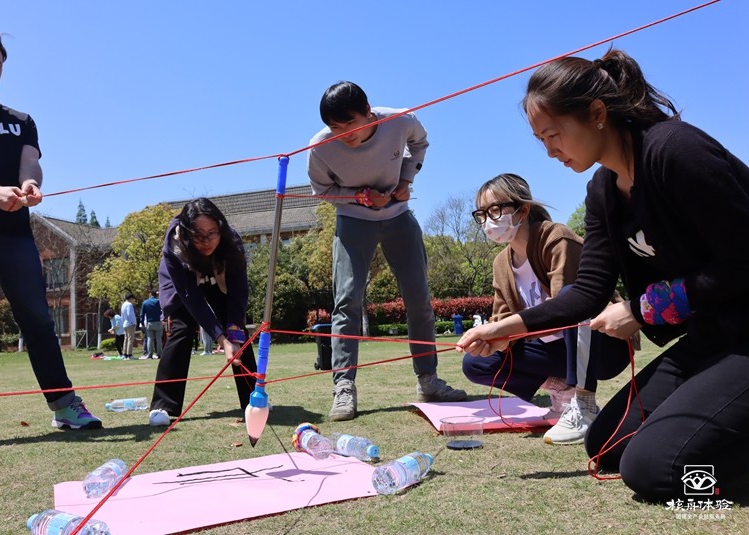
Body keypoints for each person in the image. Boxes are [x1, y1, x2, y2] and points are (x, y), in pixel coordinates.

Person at [457, 49, 749, 503]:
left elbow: (741, 262)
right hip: (712, 337)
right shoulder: (602, 192)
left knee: (652, 470)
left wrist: (642, 309)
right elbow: (588, 292)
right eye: (541, 139)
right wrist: (505, 329)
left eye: (553, 134)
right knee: (606, 445)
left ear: (596, 114)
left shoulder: (674, 151)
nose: (550, 150)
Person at [0, 30, 100, 429]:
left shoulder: (20, 121)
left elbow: (30, 163)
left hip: (12, 234)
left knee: (38, 321)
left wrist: (30, 185)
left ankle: (65, 406)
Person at [308, 81, 466, 422]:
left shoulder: (400, 120)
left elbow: (420, 143)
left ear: (368, 112)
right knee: (346, 302)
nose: (344, 134)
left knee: (419, 298)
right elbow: (322, 190)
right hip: (353, 221)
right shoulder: (320, 147)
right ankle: (343, 387)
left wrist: (406, 181)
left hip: (398, 216)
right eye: (335, 127)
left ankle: (428, 380)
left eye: (350, 124)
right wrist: (358, 197)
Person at [461, 173, 630, 444]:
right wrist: (494, 339)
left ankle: (583, 404)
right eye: (482, 214)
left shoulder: (555, 237)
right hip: (553, 350)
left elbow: (572, 306)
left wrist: (506, 329)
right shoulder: (501, 263)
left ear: (523, 209)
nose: (489, 221)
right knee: (476, 362)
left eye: (495, 210)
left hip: (603, 344)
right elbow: (503, 320)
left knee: (568, 294)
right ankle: (563, 389)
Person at [148, 198, 257, 427]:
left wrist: (233, 334)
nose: (206, 241)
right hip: (183, 284)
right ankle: (163, 405)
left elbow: (238, 291)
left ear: (220, 227)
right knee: (182, 328)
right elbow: (192, 301)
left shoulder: (232, 242)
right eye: (198, 235)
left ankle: (253, 398)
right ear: (187, 233)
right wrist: (220, 340)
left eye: (212, 233)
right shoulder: (174, 246)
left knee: (237, 332)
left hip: (219, 277)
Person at [140, 289, 163, 359]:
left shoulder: (145, 302)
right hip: (158, 322)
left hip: (149, 322)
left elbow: (142, 314)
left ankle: (150, 354)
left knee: (149, 339)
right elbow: (162, 311)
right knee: (158, 339)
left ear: (150, 294)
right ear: (156, 294)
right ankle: (159, 353)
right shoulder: (158, 301)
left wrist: (142, 323)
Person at [120, 292, 137, 359]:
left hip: (125, 323)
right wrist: (134, 322)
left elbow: (122, 315)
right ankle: (129, 354)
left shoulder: (123, 304)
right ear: (131, 298)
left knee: (126, 339)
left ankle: (125, 354)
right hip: (130, 324)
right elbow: (130, 314)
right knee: (130, 339)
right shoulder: (129, 305)